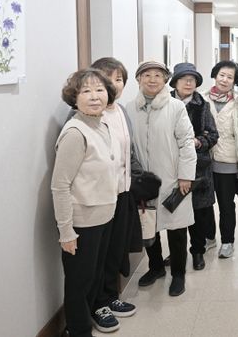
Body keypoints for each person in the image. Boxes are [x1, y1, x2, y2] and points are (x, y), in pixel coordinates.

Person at [51, 68, 121, 336]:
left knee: (94, 277)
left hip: (104, 216)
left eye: (100, 90)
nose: (94, 96)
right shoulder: (75, 132)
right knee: (79, 283)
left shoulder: (101, 124)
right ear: (74, 98)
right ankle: (77, 331)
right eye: (86, 91)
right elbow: (60, 186)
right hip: (82, 223)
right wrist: (66, 231)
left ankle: (84, 323)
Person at [127, 61, 197, 297]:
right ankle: (156, 267)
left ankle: (178, 274)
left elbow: (187, 142)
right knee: (149, 226)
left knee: (176, 229)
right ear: (138, 79)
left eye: (158, 75)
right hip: (143, 181)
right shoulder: (129, 109)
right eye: (146, 75)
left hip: (172, 178)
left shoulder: (176, 107)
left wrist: (186, 175)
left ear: (165, 80)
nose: (152, 79)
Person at [85, 57, 140, 325]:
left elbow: (129, 151)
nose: (114, 84)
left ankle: (109, 296)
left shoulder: (120, 111)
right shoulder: (86, 116)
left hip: (123, 192)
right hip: (98, 197)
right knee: (97, 254)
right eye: (107, 79)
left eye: (119, 79)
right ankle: (96, 305)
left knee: (115, 250)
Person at [169, 62, 219, 270]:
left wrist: (199, 141)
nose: (188, 83)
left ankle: (197, 251)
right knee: (174, 213)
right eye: (184, 79)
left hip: (199, 167)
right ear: (175, 82)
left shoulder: (202, 105)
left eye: (192, 80)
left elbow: (213, 134)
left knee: (198, 213)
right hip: (171, 165)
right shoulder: (165, 103)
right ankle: (176, 254)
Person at [205, 61, 238, 259]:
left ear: (235, 81)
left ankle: (227, 241)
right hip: (204, 161)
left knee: (226, 204)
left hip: (229, 160)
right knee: (204, 204)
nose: (224, 80)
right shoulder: (202, 99)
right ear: (215, 75)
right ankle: (208, 238)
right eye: (221, 75)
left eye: (229, 77)